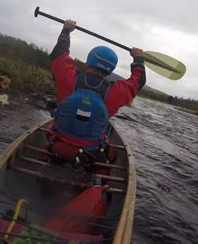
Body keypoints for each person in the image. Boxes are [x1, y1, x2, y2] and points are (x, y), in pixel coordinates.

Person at [47, 19, 146, 170]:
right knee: (110, 154)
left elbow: (59, 54)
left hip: (57, 142)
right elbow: (138, 82)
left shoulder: (68, 76)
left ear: (87, 63)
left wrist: (66, 31)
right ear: (109, 71)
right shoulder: (116, 92)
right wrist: (138, 60)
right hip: (90, 152)